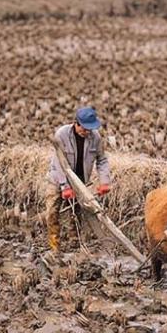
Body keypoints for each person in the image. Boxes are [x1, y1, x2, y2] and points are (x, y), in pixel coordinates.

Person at [45, 106, 111, 251]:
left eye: (89, 129)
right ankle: (54, 245)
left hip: (80, 181)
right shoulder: (62, 134)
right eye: (84, 128)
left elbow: (102, 160)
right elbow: (58, 162)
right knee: (52, 211)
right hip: (58, 178)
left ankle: (75, 243)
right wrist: (64, 186)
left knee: (76, 212)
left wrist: (104, 181)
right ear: (76, 123)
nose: (87, 132)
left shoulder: (96, 138)